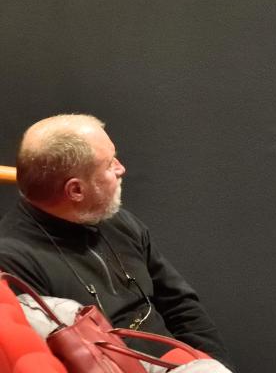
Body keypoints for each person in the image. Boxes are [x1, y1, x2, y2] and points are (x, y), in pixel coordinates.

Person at [0, 113, 235, 372]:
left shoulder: (118, 220)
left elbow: (180, 304)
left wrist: (216, 363)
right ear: (76, 190)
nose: (121, 168)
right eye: (109, 163)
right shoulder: (12, 261)